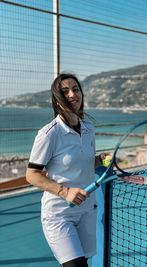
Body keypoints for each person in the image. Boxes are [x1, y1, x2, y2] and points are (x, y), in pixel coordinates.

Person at [26, 73, 106, 267]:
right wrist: (65, 192)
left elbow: (83, 162)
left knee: (84, 263)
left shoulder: (88, 128)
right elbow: (32, 175)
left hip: (87, 211)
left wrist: (99, 160)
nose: (72, 94)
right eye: (65, 91)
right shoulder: (49, 134)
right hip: (59, 215)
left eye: (75, 89)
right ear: (57, 99)